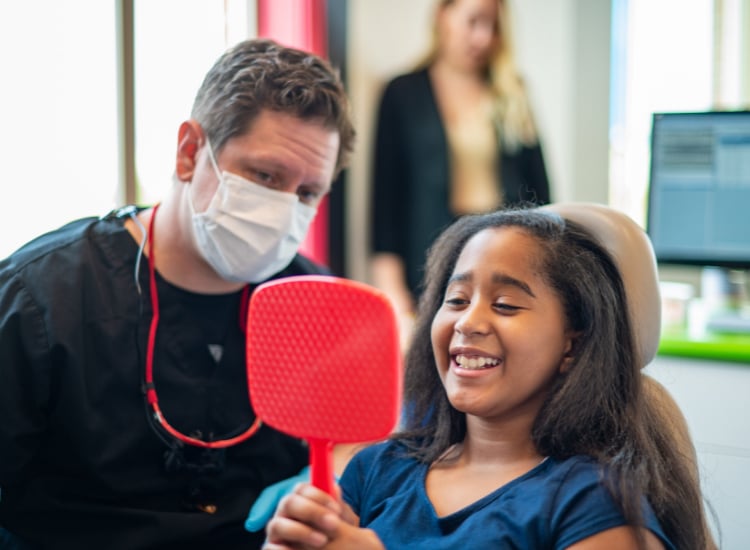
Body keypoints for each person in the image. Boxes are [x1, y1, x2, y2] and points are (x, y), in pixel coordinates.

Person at [0, 38, 355, 548]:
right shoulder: (43, 298)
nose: (283, 209)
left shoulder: (316, 306)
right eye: (265, 176)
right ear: (189, 153)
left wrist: (338, 475)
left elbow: (356, 444)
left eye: (306, 193)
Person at [263, 206, 714, 550]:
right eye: (456, 300)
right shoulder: (377, 469)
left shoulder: (596, 502)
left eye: (505, 305)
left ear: (572, 344)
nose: (468, 322)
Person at [370, 0, 551, 333]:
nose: (483, 38)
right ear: (442, 16)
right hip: (428, 264)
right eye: (473, 22)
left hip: (504, 258)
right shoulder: (402, 93)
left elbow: (542, 200)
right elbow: (386, 203)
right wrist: (392, 295)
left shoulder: (513, 93)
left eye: (493, 26)